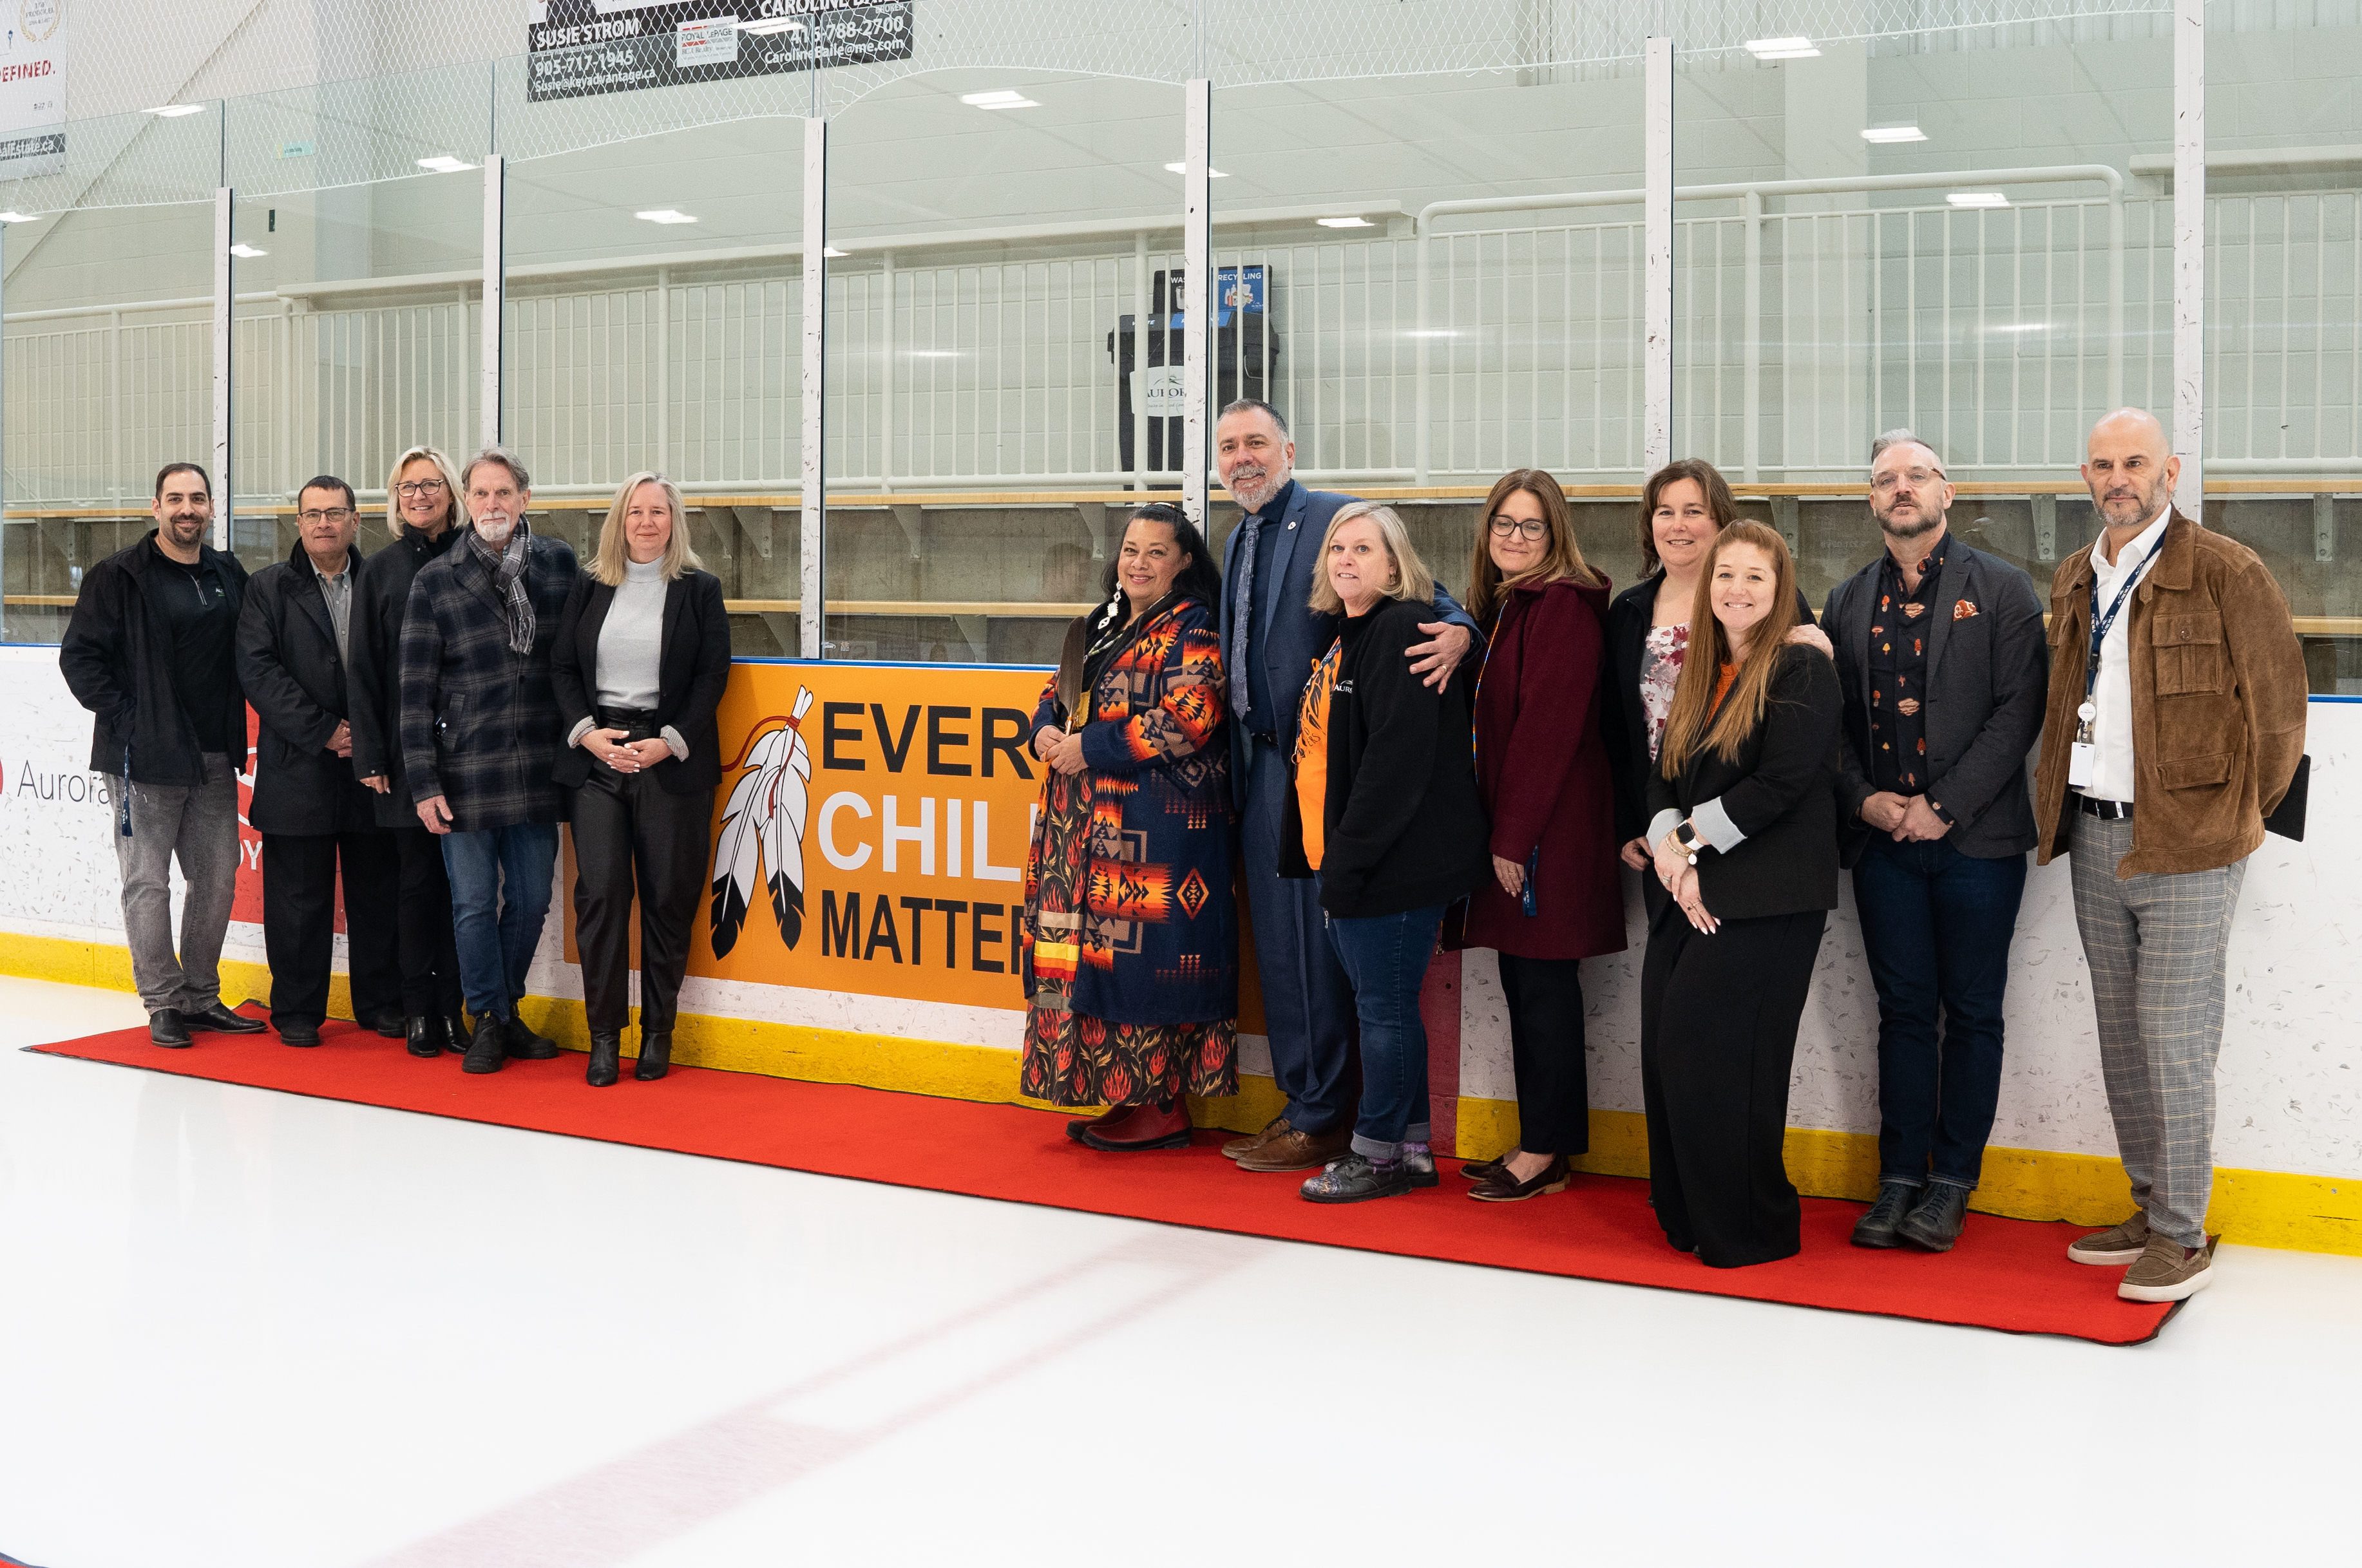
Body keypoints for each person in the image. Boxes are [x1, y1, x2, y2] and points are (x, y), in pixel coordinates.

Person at [2035, 408, 2307, 1302]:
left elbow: (2278, 716)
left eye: (2135, 462)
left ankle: (2182, 1233)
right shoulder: (2076, 574)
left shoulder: (2226, 569)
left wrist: (2229, 817)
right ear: (2085, 476)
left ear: (2170, 471)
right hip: (2095, 832)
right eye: (2102, 464)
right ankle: (2149, 1206)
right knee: (2120, 1035)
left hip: (2188, 843)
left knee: (2174, 1034)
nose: (2118, 477)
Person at [1212, 399, 1480, 1175]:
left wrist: (1461, 630)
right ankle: (1307, 1102)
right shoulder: (1236, 538)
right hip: (1264, 764)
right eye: (1228, 446)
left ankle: (1329, 1115)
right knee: (1286, 951)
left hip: (1327, 770)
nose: (1242, 457)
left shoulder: (1334, 519)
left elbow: (1425, 595)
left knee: (1328, 951)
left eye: (1256, 441)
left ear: (1289, 449)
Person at [1825, 433, 2049, 1252]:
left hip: (1976, 843)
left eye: (1917, 475)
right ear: (1872, 500)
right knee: (1903, 1014)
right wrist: (1866, 800)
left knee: (1975, 1013)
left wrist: (1942, 805)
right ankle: (1897, 1181)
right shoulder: (1847, 600)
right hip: (1884, 845)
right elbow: (1833, 726)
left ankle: (1950, 1183)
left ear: (1946, 491)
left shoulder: (2003, 589)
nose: (1901, 488)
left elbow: (2017, 712)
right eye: (1886, 480)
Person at [1642, 520, 1849, 1267]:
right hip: (1686, 887)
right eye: (1724, 574)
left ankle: (1751, 1227)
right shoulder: (1699, 666)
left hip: (1767, 896)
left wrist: (1691, 848)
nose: (1735, 588)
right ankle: (1690, 1216)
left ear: (1780, 586)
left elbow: (1783, 782)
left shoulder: (1801, 667)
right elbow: (1662, 769)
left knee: (1721, 1058)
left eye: (1754, 577)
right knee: (1668, 1051)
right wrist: (1672, 850)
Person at [1280, 503, 1491, 1203]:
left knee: (1383, 1011)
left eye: (1363, 549)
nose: (1345, 560)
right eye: (1337, 548)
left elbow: (1395, 767)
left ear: (1395, 566)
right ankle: (1409, 1146)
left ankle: (1376, 1154)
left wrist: (1347, 860)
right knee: (1390, 1006)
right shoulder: (1350, 633)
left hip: (1391, 864)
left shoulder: (1401, 625)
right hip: (1354, 858)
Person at [1018, 503, 1239, 1148]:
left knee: (1144, 963)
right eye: (1130, 549)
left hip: (1151, 829)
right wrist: (1045, 734)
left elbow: (1190, 714)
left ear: (1184, 561)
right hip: (1078, 829)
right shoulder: (1100, 625)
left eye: (1155, 551)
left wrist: (1091, 748)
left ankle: (1162, 1105)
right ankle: (1123, 1093)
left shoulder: (1195, 626)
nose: (1138, 562)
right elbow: (1051, 695)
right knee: (1088, 961)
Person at [1454, 470, 1625, 1202]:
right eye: (1503, 524)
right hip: (1520, 831)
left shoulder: (1560, 608)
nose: (1514, 538)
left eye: (1531, 527)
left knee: (1545, 990)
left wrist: (1512, 839)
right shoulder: (1509, 607)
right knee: (1525, 987)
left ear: (1556, 536)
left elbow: (1546, 733)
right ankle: (1538, 1140)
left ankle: (1546, 1150)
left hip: (1546, 836)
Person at [58, 462, 267, 1048]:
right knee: (147, 882)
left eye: (197, 499)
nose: (187, 509)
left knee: (218, 879)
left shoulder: (227, 571)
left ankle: (201, 995)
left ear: (210, 507)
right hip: (142, 760)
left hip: (211, 755)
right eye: (175, 499)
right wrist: (133, 721)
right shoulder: (118, 575)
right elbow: (80, 659)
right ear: (156, 507)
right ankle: (162, 1001)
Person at [398, 446, 580, 1075]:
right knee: (473, 904)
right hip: (464, 770)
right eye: (480, 494)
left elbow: (578, 662)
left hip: (538, 767)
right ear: (466, 500)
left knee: (530, 901)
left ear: (524, 499)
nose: (492, 504)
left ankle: (502, 1011)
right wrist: (423, 782)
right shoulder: (436, 579)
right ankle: (488, 1017)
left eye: (504, 493)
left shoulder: (558, 565)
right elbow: (414, 690)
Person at [551, 473, 731, 1088]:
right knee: (600, 898)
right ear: (619, 521)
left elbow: (713, 674)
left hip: (669, 760)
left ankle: (658, 1033)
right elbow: (562, 666)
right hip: (599, 758)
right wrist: (586, 732)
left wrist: (669, 741)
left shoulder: (700, 591)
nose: (647, 522)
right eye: (636, 511)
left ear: (674, 521)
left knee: (666, 899)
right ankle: (605, 1038)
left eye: (658, 511)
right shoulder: (591, 583)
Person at [1606, 460, 1827, 914]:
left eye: (1694, 511)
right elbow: (1616, 725)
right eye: (1664, 512)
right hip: (1662, 813)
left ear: (1720, 520)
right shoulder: (1629, 609)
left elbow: (1801, 719)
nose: (1677, 525)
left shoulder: (1761, 599)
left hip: (1747, 824)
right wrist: (1633, 819)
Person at [233, 475, 403, 1046]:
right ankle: (298, 1010)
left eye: (336, 512)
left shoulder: (382, 580)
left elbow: (398, 666)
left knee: (376, 892)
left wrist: (371, 734)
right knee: (298, 900)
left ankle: (380, 1003)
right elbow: (258, 671)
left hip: (373, 766)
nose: (325, 523)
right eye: (313, 514)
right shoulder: (268, 589)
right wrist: (325, 730)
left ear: (357, 520)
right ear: (299, 523)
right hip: (298, 765)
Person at [351, 444, 473, 1059]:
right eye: (406, 488)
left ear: (451, 491)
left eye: (429, 484)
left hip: (470, 756)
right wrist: (371, 757)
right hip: (405, 759)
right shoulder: (381, 569)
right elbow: (365, 671)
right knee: (415, 885)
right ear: (395, 500)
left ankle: (456, 1008)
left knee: (467, 888)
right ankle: (418, 1009)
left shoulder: (477, 557)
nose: (418, 495)